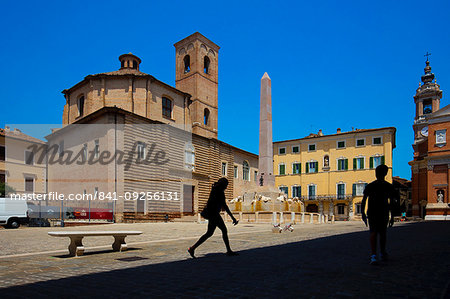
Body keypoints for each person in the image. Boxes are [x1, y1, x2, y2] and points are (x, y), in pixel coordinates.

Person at [188, 178, 239, 258]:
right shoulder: (219, 192)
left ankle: (192, 248)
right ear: (223, 184)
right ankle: (228, 251)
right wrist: (233, 218)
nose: (226, 187)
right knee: (224, 230)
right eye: (226, 185)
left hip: (212, 214)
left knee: (209, 233)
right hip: (214, 214)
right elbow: (224, 206)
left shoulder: (215, 189)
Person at [361, 164, 399, 265]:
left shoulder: (370, 186)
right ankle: (382, 253)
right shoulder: (388, 186)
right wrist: (392, 217)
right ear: (385, 174)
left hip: (372, 212)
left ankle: (373, 255)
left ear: (376, 173)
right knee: (383, 233)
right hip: (383, 211)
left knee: (373, 232)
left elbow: (364, 201)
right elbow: (392, 202)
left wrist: (363, 213)